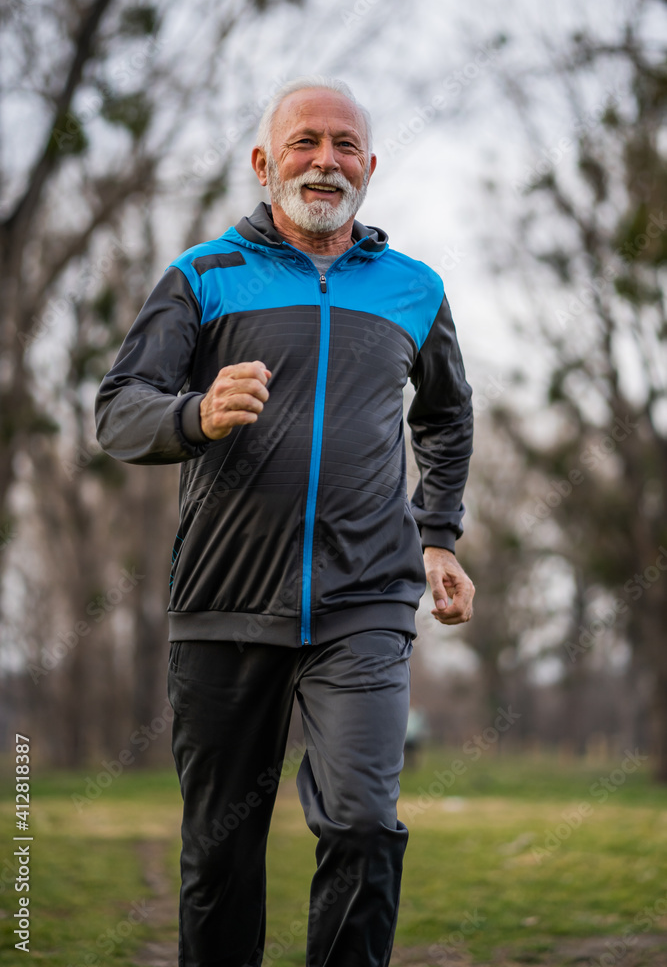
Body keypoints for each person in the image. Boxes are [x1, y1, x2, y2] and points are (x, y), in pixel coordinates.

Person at [95, 75, 475, 967]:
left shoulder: (414, 289)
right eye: (304, 142)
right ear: (265, 163)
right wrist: (194, 413)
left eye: (344, 145)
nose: (324, 160)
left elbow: (447, 416)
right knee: (220, 855)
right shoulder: (204, 275)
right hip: (225, 604)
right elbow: (120, 411)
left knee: (362, 825)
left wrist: (437, 533)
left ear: (368, 168)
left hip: (365, 601)